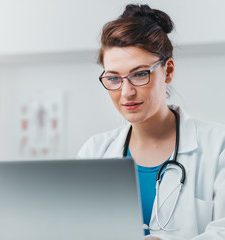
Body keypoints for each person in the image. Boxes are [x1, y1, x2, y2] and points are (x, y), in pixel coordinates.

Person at [77, 4, 225, 240]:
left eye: (139, 74)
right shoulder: (94, 152)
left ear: (168, 71)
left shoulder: (218, 147)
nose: (126, 92)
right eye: (114, 78)